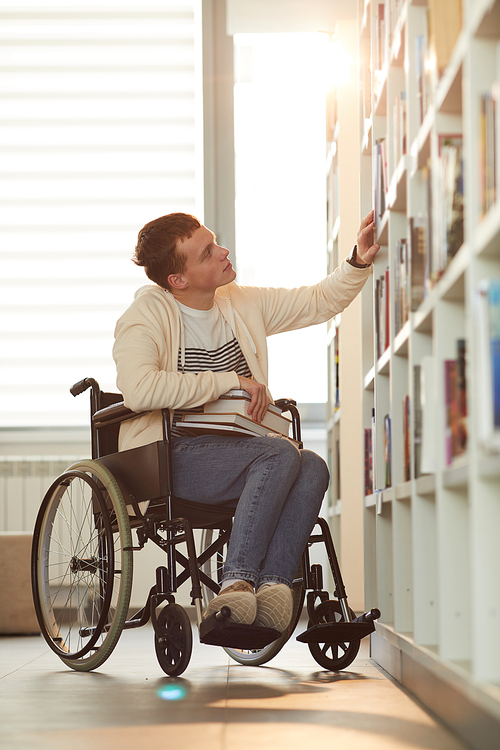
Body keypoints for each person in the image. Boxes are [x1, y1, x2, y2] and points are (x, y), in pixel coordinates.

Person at [113, 210, 380, 633]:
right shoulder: (146, 315)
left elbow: (316, 301)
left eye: (215, 242)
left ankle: (272, 591)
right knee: (278, 453)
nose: (224, 252)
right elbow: (140, 389)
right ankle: (236, 582)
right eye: (207, 252)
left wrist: (358, 262)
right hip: (172, 458)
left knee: (312, 465)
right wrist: (229, 381)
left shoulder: (237, 301)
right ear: (178, 280)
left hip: (243, 453)